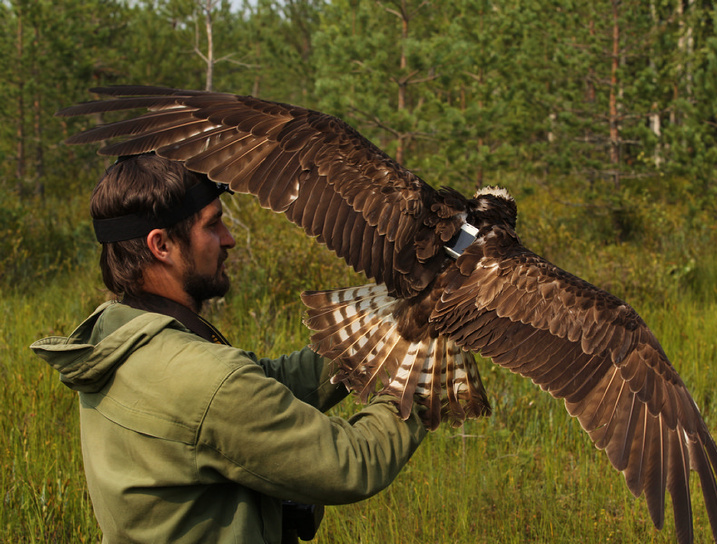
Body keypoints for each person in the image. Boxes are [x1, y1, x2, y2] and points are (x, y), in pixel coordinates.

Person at [30, 154, 427, 544]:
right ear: (161, 245)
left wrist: (390, 322)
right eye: (213, 225)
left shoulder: (119, 332)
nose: (229, 239)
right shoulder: (203, 378)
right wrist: (421, 377)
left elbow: (267, 387)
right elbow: (351, 463)